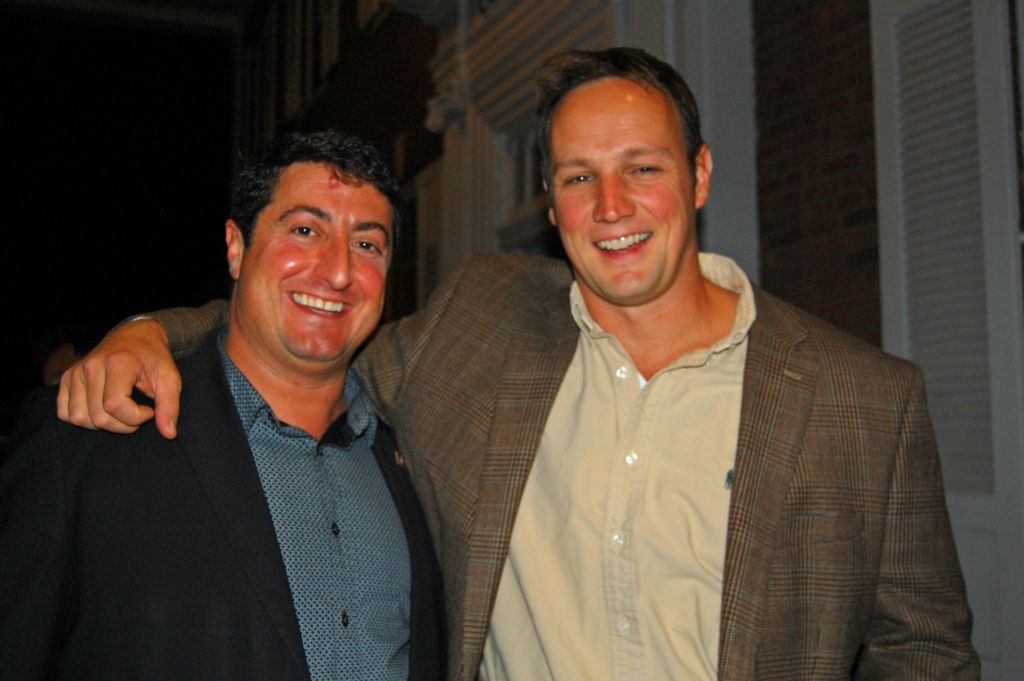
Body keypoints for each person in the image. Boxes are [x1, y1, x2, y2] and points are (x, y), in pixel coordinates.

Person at [56, 48, 978, 680]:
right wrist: (150, 330)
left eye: (642, 168)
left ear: (698, 174)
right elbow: (305, 337)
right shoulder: (481, 323)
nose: (610, 206)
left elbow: (925, 653)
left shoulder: (865, 400)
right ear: (549, 199)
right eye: (578, 176)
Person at [1, 131, 445, 680]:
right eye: (305, 230)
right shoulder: (88, 435)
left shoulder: (407, 456)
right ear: (236, 246)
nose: (338, 272)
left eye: (368, 245)